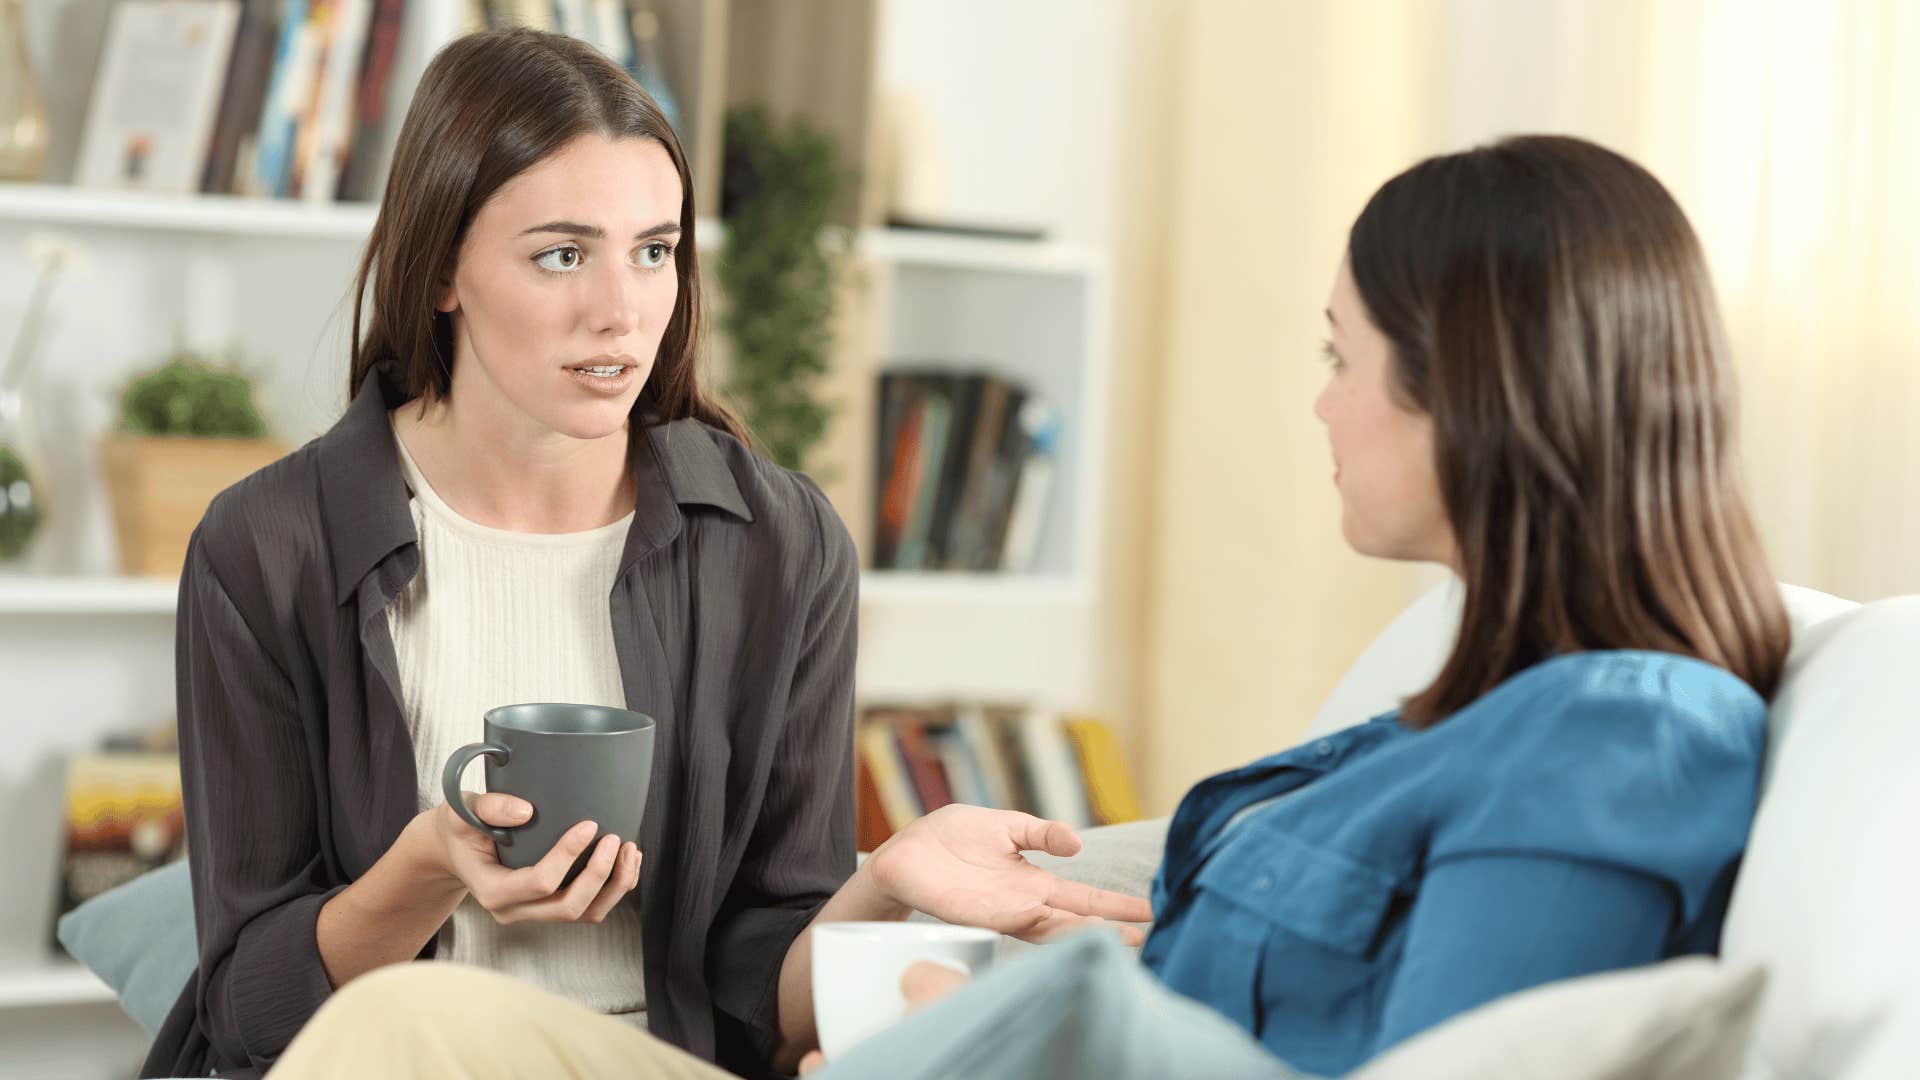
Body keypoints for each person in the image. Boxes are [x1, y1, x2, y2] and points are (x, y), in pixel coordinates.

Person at [269, 133, 1791, 1080]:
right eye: (563, 255)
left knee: (410, 1042)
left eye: (1342, 357)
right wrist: (919, 959)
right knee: (408, 1035)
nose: (1320, 408)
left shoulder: (1622, 740)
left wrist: (975, 1024)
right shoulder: (1445, 716)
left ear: (1473, 394)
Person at [143, 28, 1149, 1080]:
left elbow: (767, 985)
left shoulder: (778, 545)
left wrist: (883, 886)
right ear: (440, 269)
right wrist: (427, 867)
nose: (622, 311)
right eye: (562, 254)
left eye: (654, 250)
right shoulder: (268, 546)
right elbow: (252, 1011)